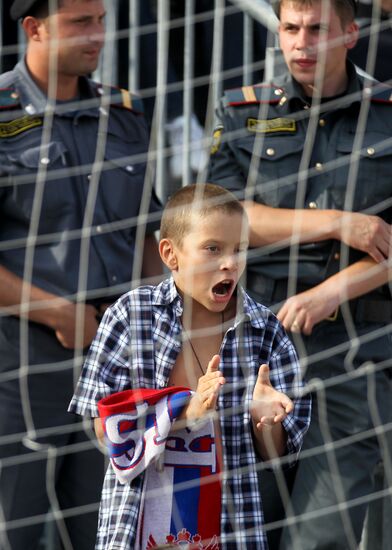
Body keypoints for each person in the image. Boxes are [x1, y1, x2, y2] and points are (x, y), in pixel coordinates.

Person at [207, 0, 392, 548]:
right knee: (243, 520)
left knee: (321, 527)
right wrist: (338, 223)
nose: (301, 44)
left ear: (351, 33)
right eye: (290, 28)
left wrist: (335, 287)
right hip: (253, 337)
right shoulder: (244, 110)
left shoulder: (386, 113)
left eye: (317, 30)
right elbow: (224, 219)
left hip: (353, 343)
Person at [68, 183, 311, 549]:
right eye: (213, 248)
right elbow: (105, 430)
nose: (230, 262)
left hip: (229, 528)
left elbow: (278, 456)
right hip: (138, 523)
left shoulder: (264, 330)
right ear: (171, 254)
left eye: (239, 249)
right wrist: (185, 410)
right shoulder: (130, 315)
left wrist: (265, 423)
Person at [0, 0, 162, 548]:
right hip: (20, 359)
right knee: (13, 527)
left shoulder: (126, 114)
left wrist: (153, 324)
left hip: (113, 361)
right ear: (34, 27)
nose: (97, 36)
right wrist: (57, 313)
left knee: (108, 529)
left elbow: (147, 232)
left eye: (100, 21)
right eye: (80, 23)